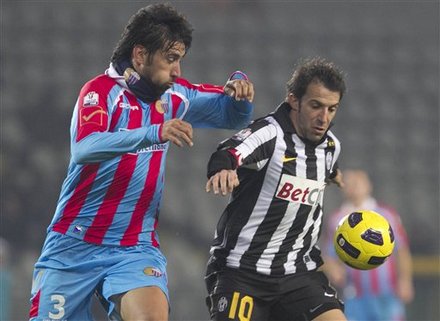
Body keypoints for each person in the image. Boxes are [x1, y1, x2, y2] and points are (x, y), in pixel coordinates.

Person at [29, 4, 255, 321]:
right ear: (140, 55)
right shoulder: (99, 92)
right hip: (72, 245)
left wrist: (239, 85)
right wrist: (153, 132)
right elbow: (84, 148)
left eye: (180, 60)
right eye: (171, 59)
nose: (177, 70)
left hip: (133, 249)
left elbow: (233, 115)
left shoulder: (176, 95)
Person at [204, 57, 347, 321]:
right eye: (316, 106)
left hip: (298, 275)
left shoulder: (330, 147)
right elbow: (228, 152)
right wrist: (223, 169)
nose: (323, 118)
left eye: (332, 109)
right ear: (294, 99)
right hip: (242, 272)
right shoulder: (270, 133)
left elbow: (323, 168)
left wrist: (334, 175)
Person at [323, 169, 414, 321]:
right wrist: (333, 269)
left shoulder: (387, 214)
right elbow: (328, 253)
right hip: (353, 294)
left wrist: (405, 280)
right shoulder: (337, 219)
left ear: (368, 185)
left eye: (359, 182)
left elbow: (402, 250)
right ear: (343, 187)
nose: (355, 186)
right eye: (351, 183)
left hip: (387, 292)